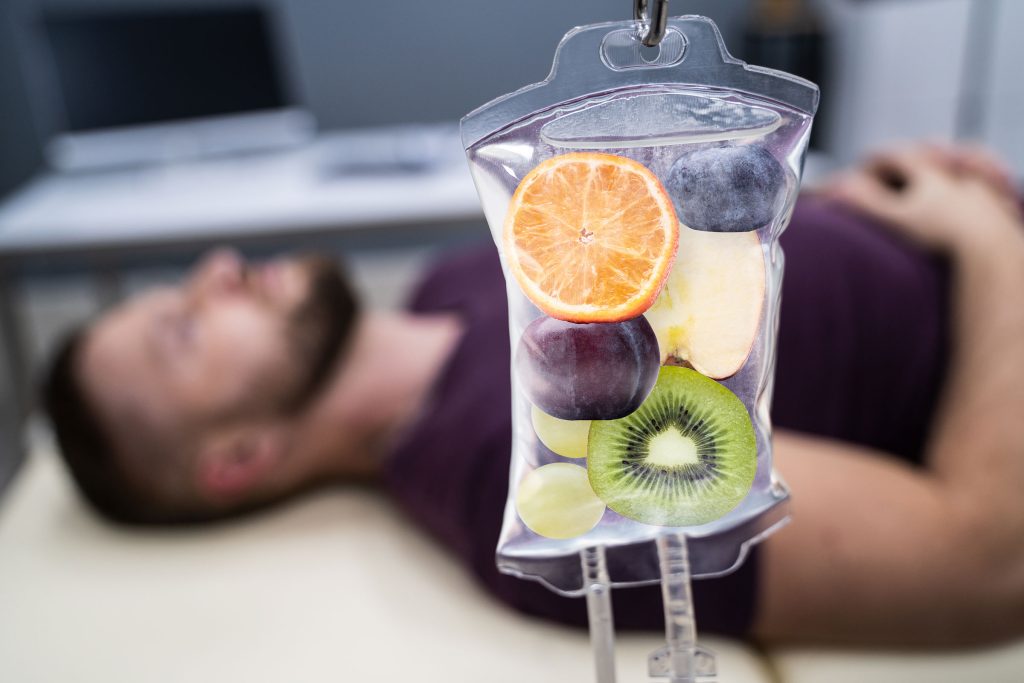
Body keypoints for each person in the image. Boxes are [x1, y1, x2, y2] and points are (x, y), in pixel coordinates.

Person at [41, 144, 1024, 647]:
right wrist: (985, 243)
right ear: (241, 454)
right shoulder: (534, 484)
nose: (215, 267)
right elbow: (986, 558)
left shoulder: (444, 281)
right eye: (183, 327)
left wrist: (894, 190)